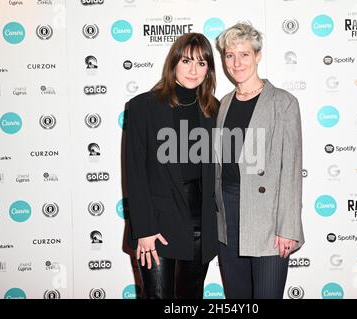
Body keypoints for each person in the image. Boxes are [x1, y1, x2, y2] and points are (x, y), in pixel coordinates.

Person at [214, 22, 304, 299]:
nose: (236, 62)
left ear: (258, 55)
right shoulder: (224, 103)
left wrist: (287, 228)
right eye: (230, 55)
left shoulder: (283, 102)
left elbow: (290, 168)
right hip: (228, 216)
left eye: (244, 54)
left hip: (267, 218)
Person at [126, 33, 219, 299]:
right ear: (173, 63)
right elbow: (135, 172)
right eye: (187, 61)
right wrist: (144, 229)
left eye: (202, 63)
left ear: (209, 70)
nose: (194, 70)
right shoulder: (144, 106)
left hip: (201, 220)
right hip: (157, 222)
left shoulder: (213, 109)